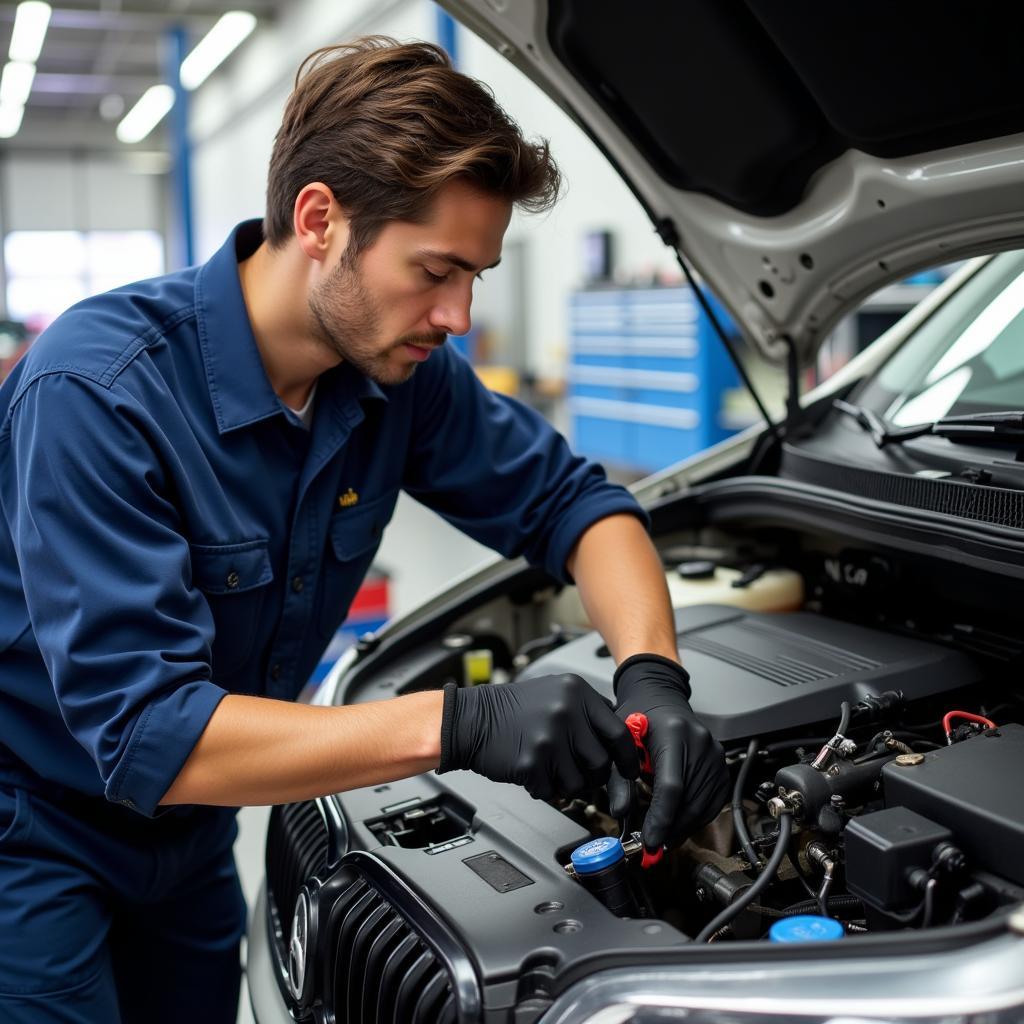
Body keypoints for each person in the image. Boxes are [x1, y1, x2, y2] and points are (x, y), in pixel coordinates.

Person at [0, 37, 729, 1024]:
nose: (458, 314)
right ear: (318, 220)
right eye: (434, 270)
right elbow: (150, 734)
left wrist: (651, 675)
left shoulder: (400, 381)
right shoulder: (97, 391)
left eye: (474, 273)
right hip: (32, 837)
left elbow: (580, 508)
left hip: (192, 843)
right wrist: (463, 722)